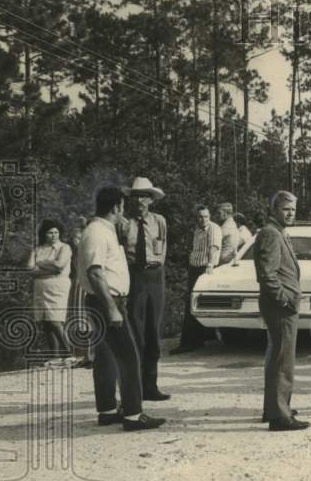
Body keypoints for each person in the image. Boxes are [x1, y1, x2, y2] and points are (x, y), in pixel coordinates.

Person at [77, 186, 165, 431]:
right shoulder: (97, 232)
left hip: (105, 301)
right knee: (129, 357)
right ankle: (133, 416)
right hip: (108, 301)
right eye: (122, 206)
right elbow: (95, 273)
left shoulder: (101, 230)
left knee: (106, 358)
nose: (123, 210)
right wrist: (112, 308)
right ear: (116, 207)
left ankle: (106, 410)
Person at [254, 191, 309, 432]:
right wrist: (285, 299)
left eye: (294, 210)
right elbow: (267, 275)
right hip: (280, 306)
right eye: (286, 208)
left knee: (279, 356)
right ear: (274, 209)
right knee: (282, 360)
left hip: (281, 305)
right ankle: (279, 416)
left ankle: (275, 408)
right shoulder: (270, 233)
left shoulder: (278, 232)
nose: (290, 213)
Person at [123, 177, 171, 401]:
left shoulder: (159, 221)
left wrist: (159, 269)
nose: (139, 200)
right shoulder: (124, 224)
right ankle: (135, 386)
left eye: (143, 196)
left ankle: (151, 385)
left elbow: (162, 248)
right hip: (134, 275)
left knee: (153, 329)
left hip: (155, 275)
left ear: (151, 199)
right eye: (135, 196)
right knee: (135, 328)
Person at [172, 204, 220, 354]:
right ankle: (199, 339)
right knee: (195, 303)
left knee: (191, 304)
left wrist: (210, 265)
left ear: (209, 217)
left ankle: (187, 343)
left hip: (204, 269)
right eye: (200, 217)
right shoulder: (197, 230)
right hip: (195, 269)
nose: (203, 219)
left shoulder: (213, 228)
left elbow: (213, 247)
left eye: (206, 216)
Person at [28, 219, 72, 364]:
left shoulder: (64, 248)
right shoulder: (38, 249)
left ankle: (68, 352)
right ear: (44, 234)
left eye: (56, 232)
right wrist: (50, 266)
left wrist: (40, 263)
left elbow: (60, 266)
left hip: (58, 286)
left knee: (55, 319)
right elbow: (30, 268)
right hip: (41, 287)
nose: (54, 235)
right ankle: (55, 356)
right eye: (50, 232)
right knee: (45, 321)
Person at [67, 215, 94, 368]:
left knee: (87, 319)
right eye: (73, 238)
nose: (75, 241)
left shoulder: (87, 250)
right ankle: (85, 356)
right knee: (79, 321)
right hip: (77, 285)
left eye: (77, 238)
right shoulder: (74, 254)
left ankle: (90, 356)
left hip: (85, 285)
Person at [216, 202, 239, 266]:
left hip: (223, 263)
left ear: (225, 213)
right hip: (230, 260)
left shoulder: (225, 227)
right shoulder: (233, 225)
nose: (217, 215)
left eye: (219, 213)